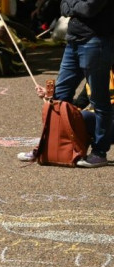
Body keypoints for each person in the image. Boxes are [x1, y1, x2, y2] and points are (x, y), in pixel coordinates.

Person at [53, 0, 114, 167]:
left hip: (96, 42)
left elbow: (88, 9)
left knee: (99, 99)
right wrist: (73, 7)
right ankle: (55, 146)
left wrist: (71, 7)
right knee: (60, 95)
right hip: (72, 42)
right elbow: (62, 6)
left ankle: (99, 152)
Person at [18, 66, 114, 164]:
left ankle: (94, 154)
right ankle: (47, 150)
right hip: (101, 125)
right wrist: (51, 98)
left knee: (84, 117)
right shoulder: (95, 75)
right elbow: (79, 104)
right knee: (68, 115)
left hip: (109, 126)